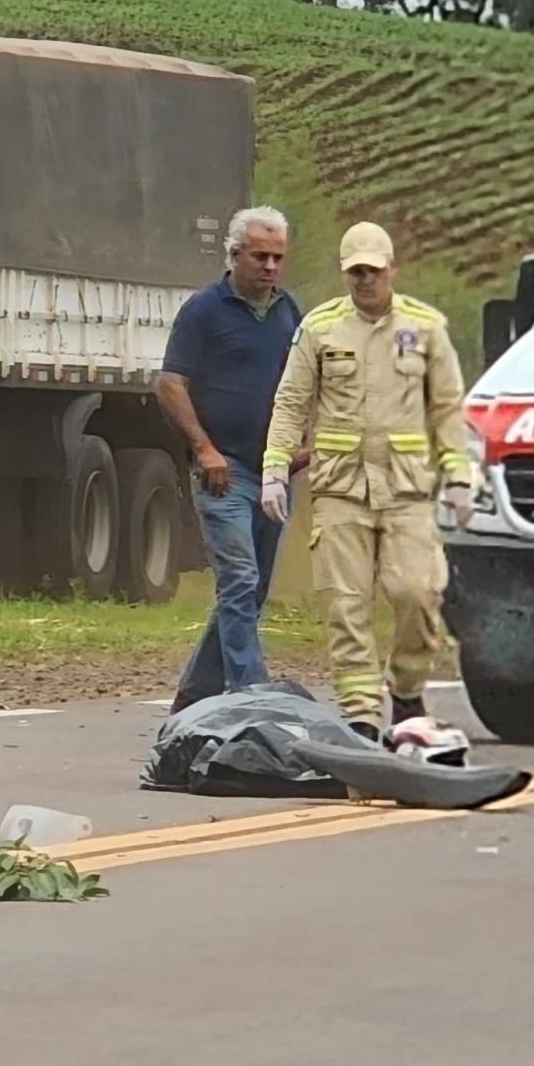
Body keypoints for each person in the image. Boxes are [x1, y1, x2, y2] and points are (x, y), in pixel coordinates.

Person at [259, 221, 473, 740]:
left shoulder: (424, 327)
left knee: (417, 593)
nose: (364, 281)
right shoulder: (320, 327)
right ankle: (360, 716)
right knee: (346, 606)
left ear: (391, 269)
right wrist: (274, 470)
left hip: (406, 490)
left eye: (373, 271)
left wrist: (460, 475)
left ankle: (405, 690)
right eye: (355, 271)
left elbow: (446, 405)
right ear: (344, 272)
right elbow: (292, 401)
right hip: (341, 489)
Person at [157, 206, 303, 713]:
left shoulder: (290, 314)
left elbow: (306, 384)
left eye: (278, 258)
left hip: (276, 473)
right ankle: (249, 694)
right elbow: (171, 383)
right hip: (225, 473)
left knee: (253, 590)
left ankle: (195, 693)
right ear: (235, 255)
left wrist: (299, 449)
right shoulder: (204, 310)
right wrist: (204, 447)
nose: (269, 267)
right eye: (260, 256)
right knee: (238, 579)